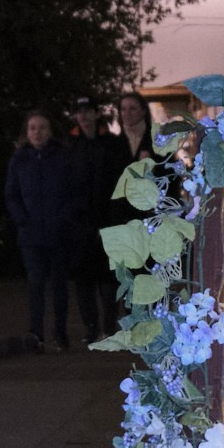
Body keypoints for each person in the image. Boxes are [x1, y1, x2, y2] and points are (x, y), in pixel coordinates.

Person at [4, 108, 78, 350]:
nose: (37, 132)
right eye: (32, 128)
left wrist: (63, 219)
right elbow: (11, 194)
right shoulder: (19, 159)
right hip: (31, 234)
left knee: (59, 286)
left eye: (42, 127)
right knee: (35, 285)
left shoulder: (62, 157)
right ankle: (36, 334)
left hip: (58, 233)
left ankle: (60, 333)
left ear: (50, 131)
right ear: (27, 132)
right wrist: (22, 219)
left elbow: (72, 192)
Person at [65, 99, 127, 345]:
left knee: (109, 277)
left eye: (87, 112)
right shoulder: (70, 144)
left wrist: (112, 217)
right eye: (79, 112)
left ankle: (109, 325)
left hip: (108, 220)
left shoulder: (111, 144)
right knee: (84, 279)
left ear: (95, 114)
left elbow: (117, 181)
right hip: (80, 223)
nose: (83, 116)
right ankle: (90, 328)